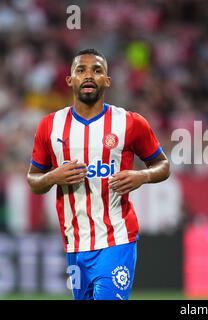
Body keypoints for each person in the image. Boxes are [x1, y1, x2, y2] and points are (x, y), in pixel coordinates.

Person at [26, 48, 170, 300]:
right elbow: (33, 181)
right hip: (75, 243)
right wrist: (52, 177)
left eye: (97, 70)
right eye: (81, 70)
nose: (89, 75)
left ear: (107, 80)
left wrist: (142, 176)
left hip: (117, 238)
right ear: (70, 80)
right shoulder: (50, 126)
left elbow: (163, 165)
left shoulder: (130, 123)